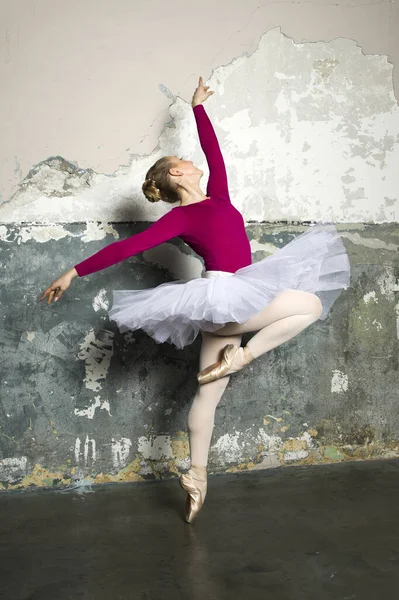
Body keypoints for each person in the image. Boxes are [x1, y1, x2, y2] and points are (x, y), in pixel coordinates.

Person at [40, 76, 351, 524]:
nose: (193, 160)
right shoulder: (180, 217)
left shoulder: (217, 196)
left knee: (206, 397)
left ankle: (197, 479)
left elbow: (214, 154)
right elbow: (127, 247)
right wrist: (73, 271)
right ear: (175, 173)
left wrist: (198, 109)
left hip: (222, 304)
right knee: (312, 305)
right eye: (183, 160)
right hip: (228, 298)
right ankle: (240, 357)